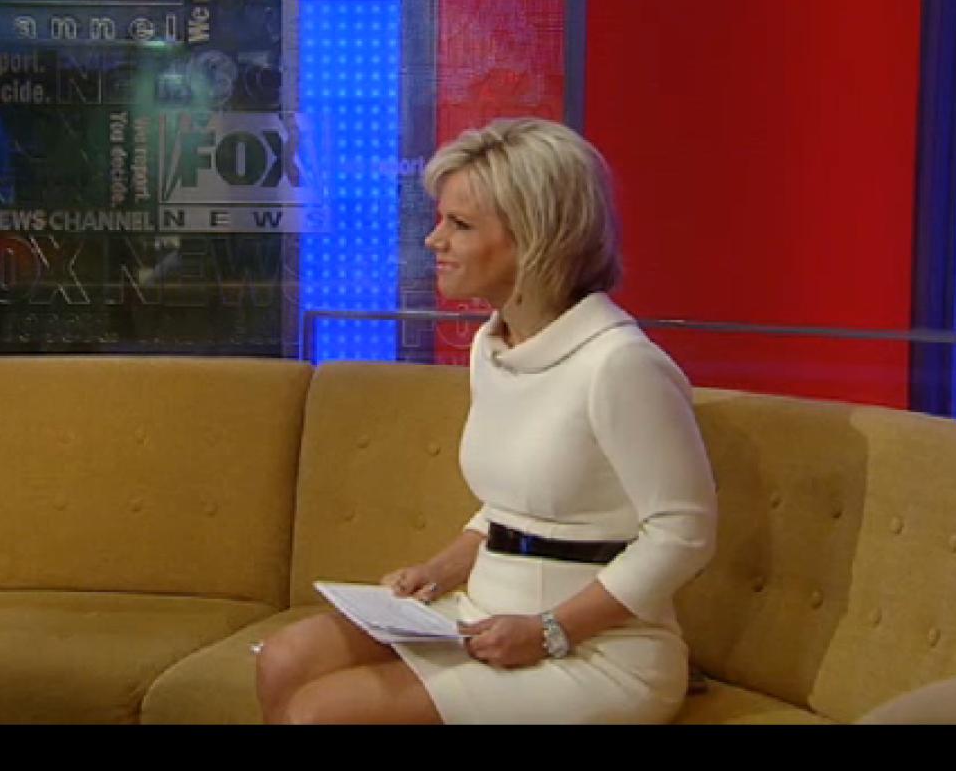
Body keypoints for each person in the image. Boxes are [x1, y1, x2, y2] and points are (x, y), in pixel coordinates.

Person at [254, 118, 718, 724]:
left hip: (598, 649)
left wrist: (550, 629)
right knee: (284, 660)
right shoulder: (491, 345)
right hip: (481, 615)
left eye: (461, 225)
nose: (434, 240)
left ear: (536, 238)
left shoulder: (620, 364)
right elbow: (510, 509)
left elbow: (684, 533)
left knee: (323, 713)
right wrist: (436, 573)